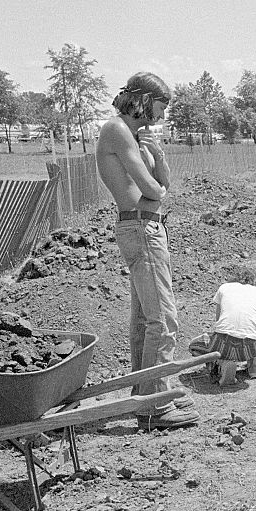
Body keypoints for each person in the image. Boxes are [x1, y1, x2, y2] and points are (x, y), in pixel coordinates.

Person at [96, 72, 199, 430]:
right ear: (143, 98)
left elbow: (162, 184)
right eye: (161, 105)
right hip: (141, 227)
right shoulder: (116, 130)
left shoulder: (136, 136)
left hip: (147, 226)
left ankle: (144, 398)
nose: (162, 114)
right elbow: (152, 191)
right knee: (164, 319)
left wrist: (158, 156)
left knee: (144, 319)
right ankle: (155, 405)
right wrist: (158, 186)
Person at [207, 267, 256, 386]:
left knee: (196, 345)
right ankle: (254, 365)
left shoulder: (225, 288)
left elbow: (219, 326)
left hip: (223, 344)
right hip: (250, 349)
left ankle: (223, 363)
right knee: (255, 333)